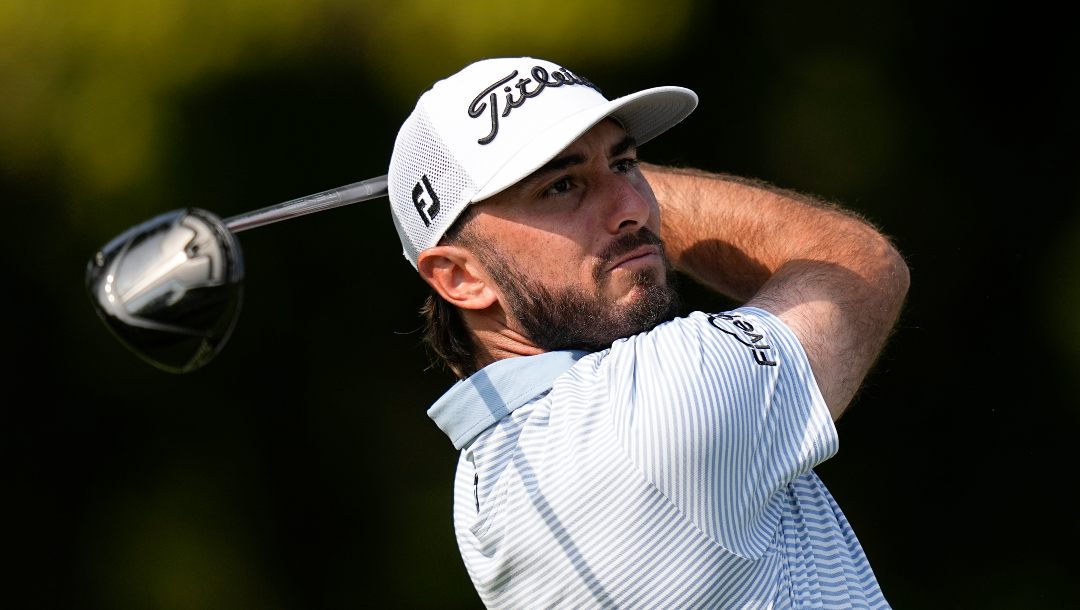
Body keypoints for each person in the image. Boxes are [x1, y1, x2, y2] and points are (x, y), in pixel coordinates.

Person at [386, 56, 908, 609]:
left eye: (626, 164)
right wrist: (612, 167)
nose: (634, 206)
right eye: (561, 186)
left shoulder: (480, 484)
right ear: (461, 278)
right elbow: (856, 265)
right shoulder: (657, 407)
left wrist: (581, 171)